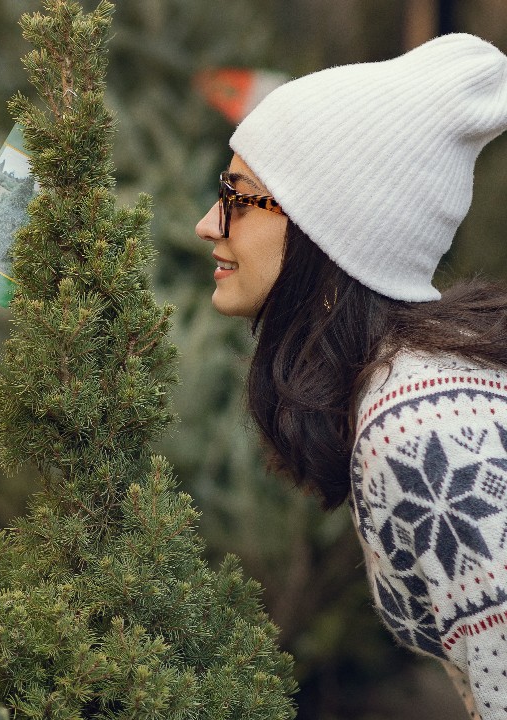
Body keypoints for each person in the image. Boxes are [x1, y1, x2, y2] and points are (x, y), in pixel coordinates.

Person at [195, 33, 507, 719]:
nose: (206, 223)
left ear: (329, 231)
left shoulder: (420, 428)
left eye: (240, 198)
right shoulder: (417, 384)